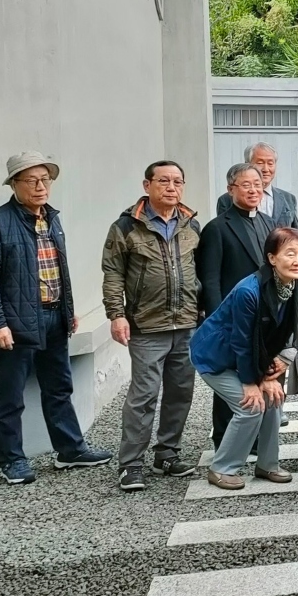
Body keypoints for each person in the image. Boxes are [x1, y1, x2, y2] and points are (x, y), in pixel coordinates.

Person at [0, 152, 113, 484]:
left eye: (45, 179)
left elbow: (57, 270)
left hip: (53, 319)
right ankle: (12, 460)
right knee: (11, 396)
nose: (40, 187)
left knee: (59, 388)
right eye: (31, 180)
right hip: (14, 324)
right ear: (14, 184)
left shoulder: (52, 219)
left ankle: (70, 450)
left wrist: (68, 309)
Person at [101, 161, 201, 492]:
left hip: (186, 324)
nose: (171, 187)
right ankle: (130, 464)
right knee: (143, 396)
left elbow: (199, 270)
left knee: (181, 393)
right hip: (147, 325)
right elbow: (113, 273)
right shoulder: (126, 227)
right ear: (148, 185)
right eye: (164, 181)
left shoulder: (191, 225)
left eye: (177, 181)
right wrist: (116, 314)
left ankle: (167, 455)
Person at [190, 227, 298, 490]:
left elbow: (287, 330)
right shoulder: (249, 291)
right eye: (290, 253)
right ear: (272, 258)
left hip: (253, 354)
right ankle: (222, 468)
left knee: (275, 399)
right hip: (216, 356)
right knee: (250, 406)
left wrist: (270, 374)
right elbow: (243, 342)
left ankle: (268, 464)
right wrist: (253, 381)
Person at [197, 163, 276, 450]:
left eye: (257, 184)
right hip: (232, 317)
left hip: (264, 314)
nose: (254, 189)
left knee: (259, 374)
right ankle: (223, 438)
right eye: (246, 184)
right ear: (231, 189)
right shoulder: (217, 228)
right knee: (231, 379)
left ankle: (256, 438)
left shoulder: (268, 223)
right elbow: (210, 279)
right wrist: (218, 321)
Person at [216, 142, 298, 229]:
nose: (266, 169)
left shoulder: (289, 199)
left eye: (270, 163)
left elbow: (296, 235)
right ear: (247, 164)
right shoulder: (226, 200)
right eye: (260, 163)